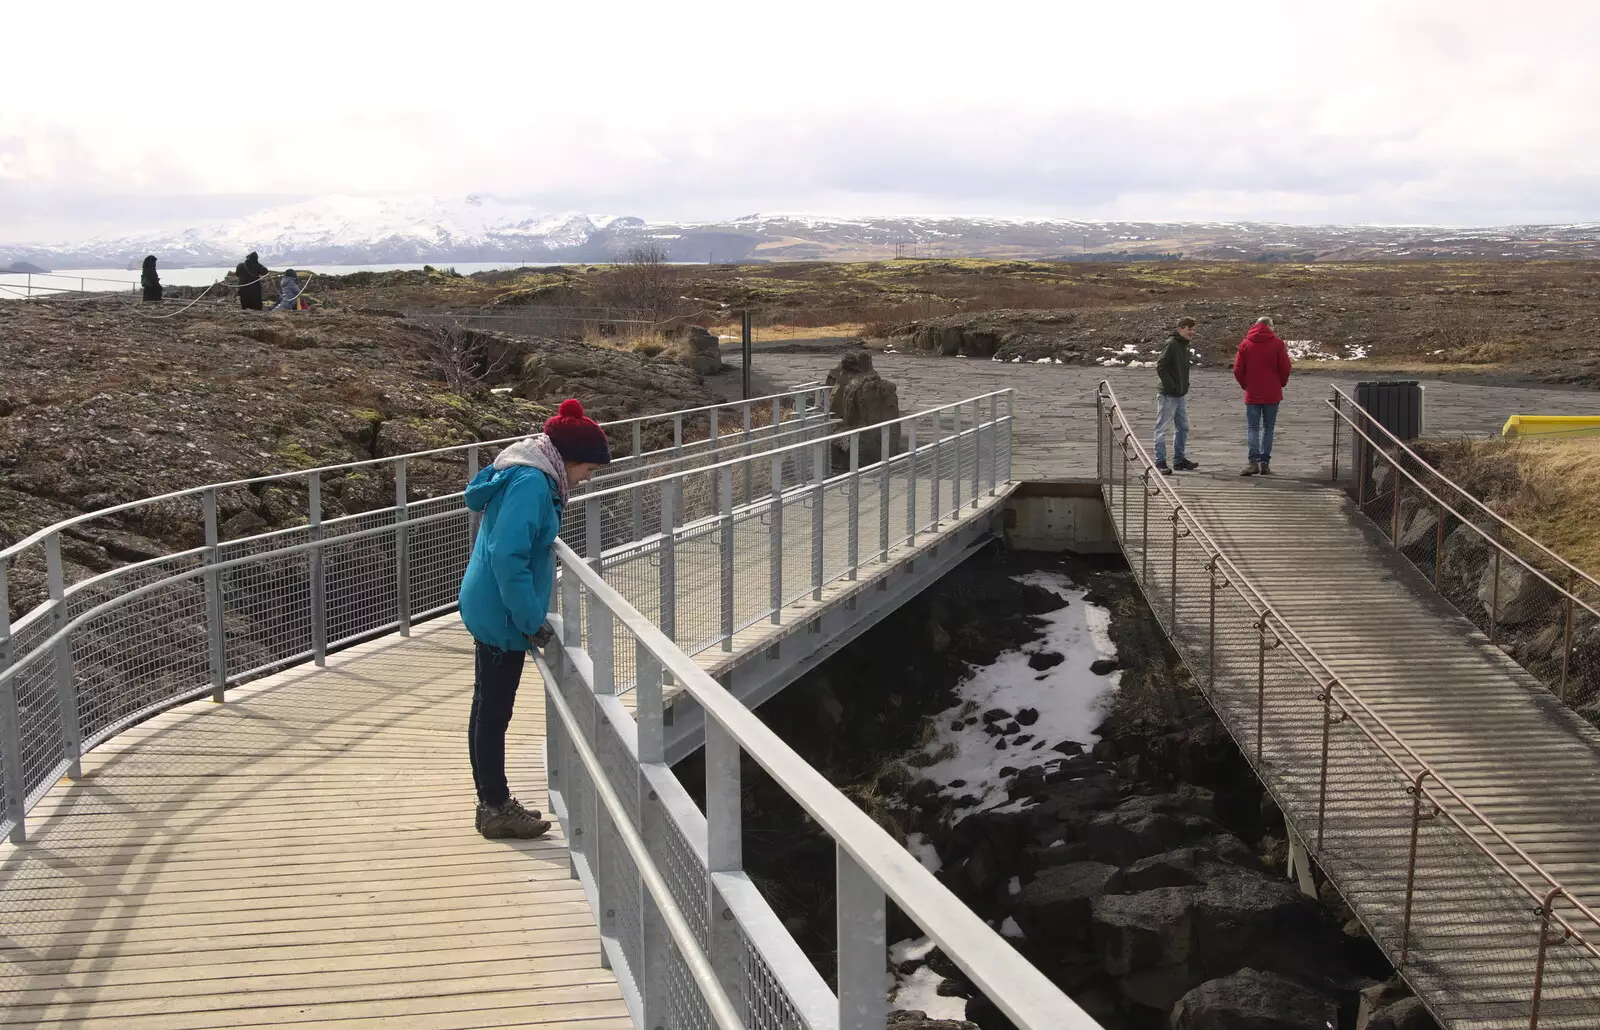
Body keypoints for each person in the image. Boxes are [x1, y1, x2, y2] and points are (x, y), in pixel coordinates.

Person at [458, 399, 612, 839]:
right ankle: (494, 807)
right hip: (502, 613)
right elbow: (509, 556)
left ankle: (491, 801)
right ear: (571, 459)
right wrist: (530, 620)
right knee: (493, 711)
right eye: (590, 470)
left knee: (486, 705)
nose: (586, 480)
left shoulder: (525, 470)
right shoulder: (531, 483)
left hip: (488, 602)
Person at [1232, 316, 1293, 476]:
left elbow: (1238, 369)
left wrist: (1245, 384)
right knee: (1268, 428)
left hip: (1252, 392)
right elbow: (1285, 367)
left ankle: (1252, 462)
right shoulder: (1278, 344)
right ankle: (1265, 462)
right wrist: (1281, 383)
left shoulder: (1245, 344)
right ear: (1269, 326)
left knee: (1253, 428)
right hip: (1272, 392)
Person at [1153, 316, 1198, 475]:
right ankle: (1160, 461)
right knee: (1162, 428)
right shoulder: (1172, 344)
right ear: (1180, 328)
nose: (1192, 332)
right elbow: (1161, 366)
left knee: (1183, 427)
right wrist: (1171, 386)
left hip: (1180, 394)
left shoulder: (1184, 346)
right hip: (1168, 395)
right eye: (1189, 329)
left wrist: (1183, 386)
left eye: (1193, 329)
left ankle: (1179, 460)